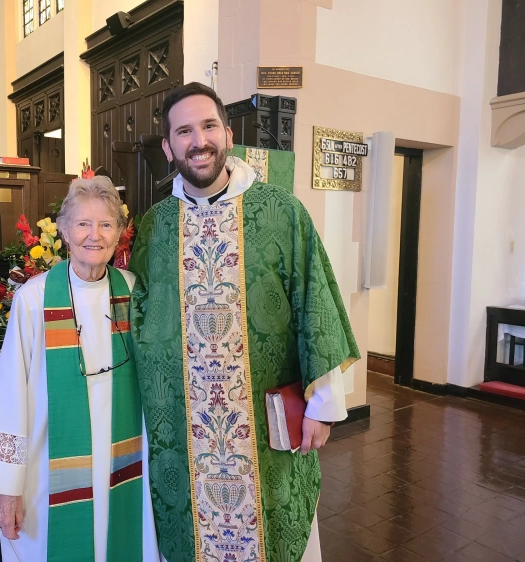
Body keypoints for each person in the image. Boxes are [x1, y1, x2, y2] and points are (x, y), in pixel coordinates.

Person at [129, 82, 360, 562]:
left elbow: (313, 302)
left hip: (264, 425)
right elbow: (141, 321)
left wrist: (322, 404)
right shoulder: (154, 226)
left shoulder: (281, 212)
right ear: (169, 148)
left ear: (228, 134)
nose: (200, 140)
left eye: (209, 125)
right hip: (185, 432)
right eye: (185, 131)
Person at [0, 177, 160, 562]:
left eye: (106, 224)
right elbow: (9, 396)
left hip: (126, 461)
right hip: (50, 466)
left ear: (119, 233)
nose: (95, 235)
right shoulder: (34, 298)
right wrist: (8, 489)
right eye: (83, 224)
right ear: (65, 231)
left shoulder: (133, 290)